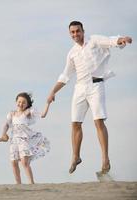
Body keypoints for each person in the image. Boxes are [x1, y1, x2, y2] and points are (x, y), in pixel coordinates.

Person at [46, 21, 132, 174]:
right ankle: (76, 156)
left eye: (77, 31)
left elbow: (111, 41)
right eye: (72, 32)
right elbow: (65, 75)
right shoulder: (71, 53)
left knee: (98, 121)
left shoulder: (94, 40)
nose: (75, 34)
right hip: (80, 88)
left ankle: (105, 160)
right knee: (75, 124)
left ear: (83, 31)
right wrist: (53, 92)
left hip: (96, 86)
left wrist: (122, 39)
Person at [1, 92, 50, 184]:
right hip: (14, 140)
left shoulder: (28, 112)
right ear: (16, 102)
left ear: (27, 104)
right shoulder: (11, 114)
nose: (21, 104)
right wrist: (3, 134)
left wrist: (48, 103)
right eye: (19, 102)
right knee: (13, 162)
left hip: (24, 140)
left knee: (24, 162)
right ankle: (18, 184)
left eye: (24, 102)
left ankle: (31, 183)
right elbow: (6, 125)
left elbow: (43, 115)